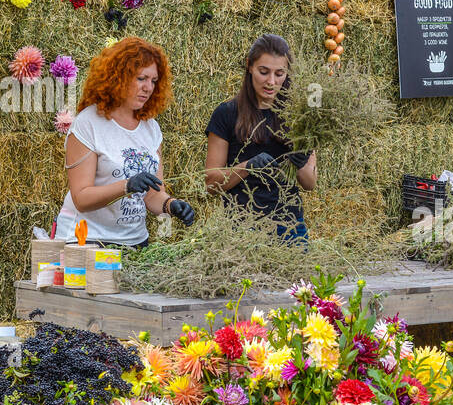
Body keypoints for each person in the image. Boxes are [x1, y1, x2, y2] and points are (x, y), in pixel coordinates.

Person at [54, 37, 194, 248]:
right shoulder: (88, 124)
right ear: (118, 77)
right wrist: (126, 185)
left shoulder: (151, 128)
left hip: (134, 243)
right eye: (141, 78)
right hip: (87, 240)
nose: (148, 87)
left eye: (154, 81)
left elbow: (153, 195)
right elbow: (81, 198)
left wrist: (170, 205)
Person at [205, 34, 317, 241]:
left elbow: (309, 183)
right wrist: (247, 167)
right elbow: (211, 184)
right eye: (263, 72)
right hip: (243, 228)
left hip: (290, 227)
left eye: (279, 73)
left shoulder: (298, 116)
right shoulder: (226, 113)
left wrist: (300, 164)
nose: (271, 82)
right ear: (249, 66)